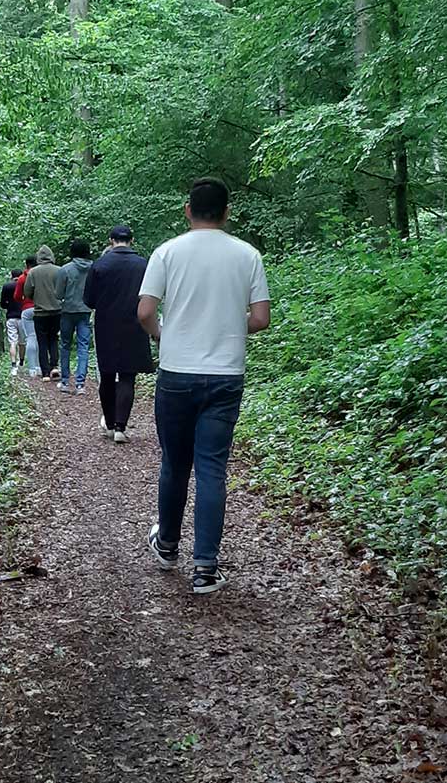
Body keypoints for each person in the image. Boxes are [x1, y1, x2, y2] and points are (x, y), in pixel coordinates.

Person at [138, 177, 270, 596]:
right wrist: (230, 325)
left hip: (177, 372)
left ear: (187, 210)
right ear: (227, 212)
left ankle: (168, 546)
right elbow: (261, 318)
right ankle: (206, 569)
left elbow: (144, 311)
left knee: (175, 463)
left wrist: (164, 334)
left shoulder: (167, 252)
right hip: (226, 374)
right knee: (212, 467)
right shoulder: (247, 255)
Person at [84, 226, 152, 442]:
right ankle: (121, 427)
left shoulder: (100, 264)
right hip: (135, 323)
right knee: (127, 376)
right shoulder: (143, 265)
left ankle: (111, 424)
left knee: (106, 374)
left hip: (106, 325)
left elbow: (89, 300)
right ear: (131, 240)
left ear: (111, 240)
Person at [55, 238, 93, 393]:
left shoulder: (65, 270)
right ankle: (80, 384)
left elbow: (58, 294)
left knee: (65, 345)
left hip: (68, 311)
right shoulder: (93, 268)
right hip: (85, 310)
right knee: (83, 346)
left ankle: (64, 381)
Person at [22, 245, 61, 379]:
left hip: (39, 312)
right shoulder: (59, 270)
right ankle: (55, 366)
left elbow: (27, 292)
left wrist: (37, 298)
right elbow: (63, 290)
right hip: (57, 311)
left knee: (42, 341)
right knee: (54, 338)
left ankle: (45, 372)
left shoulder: (33, 272)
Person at [14, 256, 41, 377]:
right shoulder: (41, 275)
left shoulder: (22, 278)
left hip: (27, 309)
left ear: (26, 265)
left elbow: (17, 296)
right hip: (41, 308)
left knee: (30, 337)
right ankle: (41, 366)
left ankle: (32, 369)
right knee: (41, 337)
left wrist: (25, 300)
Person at [0, 268, 25, 377]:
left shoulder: (7, 286)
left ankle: (13, 365)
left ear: (11, 275)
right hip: (23, 316)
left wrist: (9, 305)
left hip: (11, 317)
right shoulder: (24, 284)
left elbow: (2, 304)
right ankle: (22, 362)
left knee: (12, 342)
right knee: (22, 342)